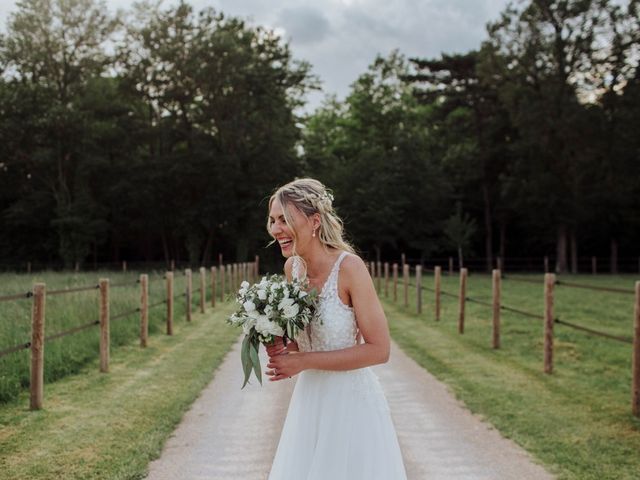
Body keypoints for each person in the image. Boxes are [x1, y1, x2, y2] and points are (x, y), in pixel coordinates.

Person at [265, 178, 407, 480]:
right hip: (309, 402)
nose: (276, 229)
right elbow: (302, 342)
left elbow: (379, 350)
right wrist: (275, 339)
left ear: (314, 221)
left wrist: (302, 362)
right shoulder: (293, 269)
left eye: (285, 220)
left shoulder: (350, 268)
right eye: (273, 220)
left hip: (350, 406)